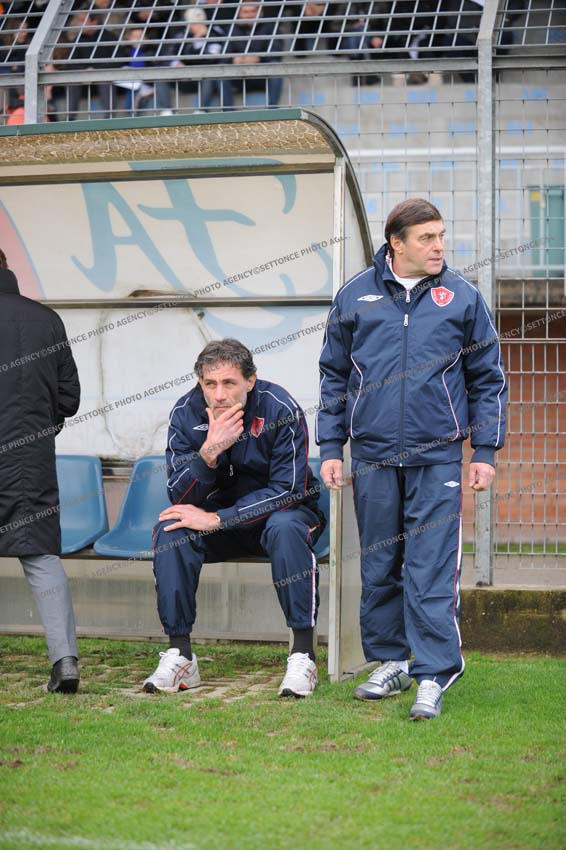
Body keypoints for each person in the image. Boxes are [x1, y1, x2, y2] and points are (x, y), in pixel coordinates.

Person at [316, 198, 507, 720]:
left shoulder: (462, 298)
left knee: (430, 568)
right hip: (373, 456)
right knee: (380, 564)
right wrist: (330, 447)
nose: (439, 246)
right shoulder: (354, 296)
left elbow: (487, 378)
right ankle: (391, 662)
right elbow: (333, 376)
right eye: (427, 238)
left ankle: (433, 675)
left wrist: (484, 451)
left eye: (441, 235)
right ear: (396, 244)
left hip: (438, 458)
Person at [145, 338, 326, 698]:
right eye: (209, 384)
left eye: (229, 383)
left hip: (282, 516)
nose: (219, 395)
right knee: (171, 529)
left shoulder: (279, 407)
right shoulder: (185, 413)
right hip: (219, 523)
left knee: (286, 527)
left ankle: (303, 655)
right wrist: (209, 451)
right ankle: (181, 654)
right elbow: (180, 496)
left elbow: (288, 489)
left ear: (250, 380)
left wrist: (219, 518)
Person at [0, 248, 81, 693]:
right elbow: (70, 398)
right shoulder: (47, 320)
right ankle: (65, 663)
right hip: (30, 462)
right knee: (41, 557)